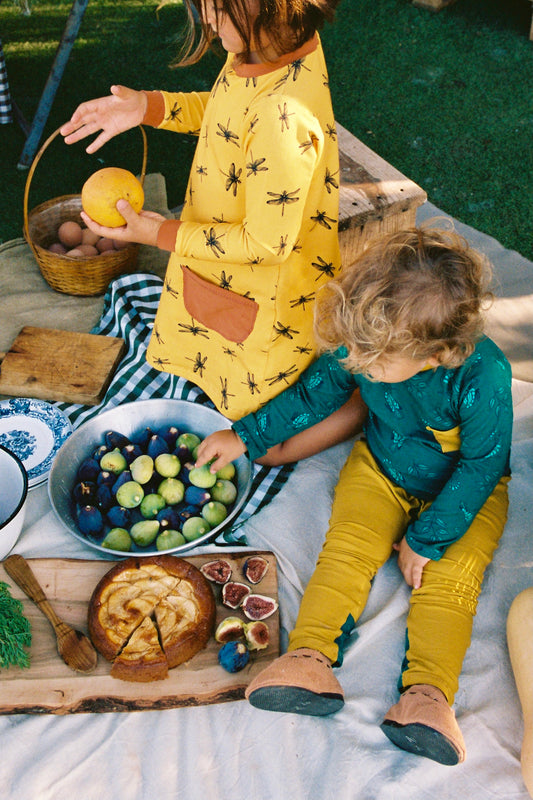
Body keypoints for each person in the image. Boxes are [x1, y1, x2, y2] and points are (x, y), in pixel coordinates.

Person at [195, 226, 513, 766]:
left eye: (373, 361)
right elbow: (314, 394)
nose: (358, 364)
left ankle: (428, 698)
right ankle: (307, 659)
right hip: (381, 470)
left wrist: (428, 539)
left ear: (439, 354)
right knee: (345, 549)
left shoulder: (484, 375)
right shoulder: (365, 345)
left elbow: (481, 465)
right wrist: (244, 436)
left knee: (449, 585)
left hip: (466, 495)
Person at [59, 0, 367, 455]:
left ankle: (363, 399)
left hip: (267, 288)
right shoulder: (261, 50)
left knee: (263, 445)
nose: (205, 20)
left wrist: (159, 234)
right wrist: (149, 107)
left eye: (217, 8)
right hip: (229, 268)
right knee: (216, 344)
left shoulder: (282, 116)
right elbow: (228, 114)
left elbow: (264, 242)